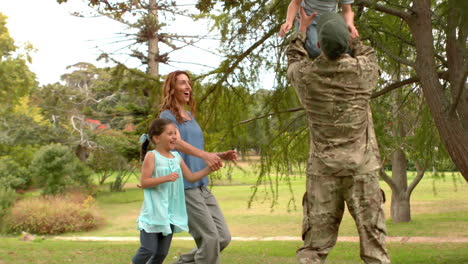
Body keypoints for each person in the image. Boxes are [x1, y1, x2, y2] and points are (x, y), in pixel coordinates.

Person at [286, 10, 391, 264]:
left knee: (313, 250)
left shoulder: (306, 76)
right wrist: (351, 29)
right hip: (362, 171)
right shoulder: (363, 72)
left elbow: (292, 59)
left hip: (323, 173)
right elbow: (369, 54)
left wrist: (301, 32)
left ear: (319, 44)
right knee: (375, 251)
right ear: (346, 43)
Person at [159, 70, 237, 264]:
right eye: (182, 83)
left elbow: (195, 149)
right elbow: (175, 142)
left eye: (189, 83)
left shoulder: (190, 116)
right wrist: (205, 155)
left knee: (222, 238)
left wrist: (219, 156)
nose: (188, 87)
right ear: (172, 88)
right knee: (210, 239)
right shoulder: (166, 115)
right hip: (184, 187)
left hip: (201, 185)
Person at [131, 118, 217, 264]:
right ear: (157, 138)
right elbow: (144, 182)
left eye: (175, 133)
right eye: (170, 133)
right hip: (153, 213)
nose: (174, 137)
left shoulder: (176, 157)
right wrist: (166, 178)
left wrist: (209, 169)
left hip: (169, 214)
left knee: (161, 254)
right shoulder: (152, 156)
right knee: (148, 249)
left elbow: (191, 177)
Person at [279, 0, 358, 59]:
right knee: (315, 50)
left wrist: (349, 23)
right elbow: (295, 3)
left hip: (329, 21)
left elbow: (347, 11)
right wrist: (289, 21)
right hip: (308, 21)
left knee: (344, 47)